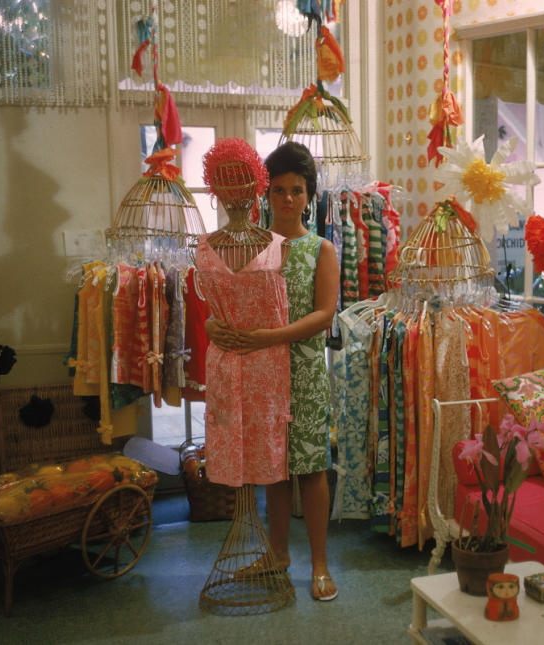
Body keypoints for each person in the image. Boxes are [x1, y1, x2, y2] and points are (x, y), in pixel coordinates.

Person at [206, 141, 340, 601]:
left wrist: (270, 336)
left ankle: (320, 563)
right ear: (266, 194)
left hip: (302, 373)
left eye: (297, 191)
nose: (287, 199)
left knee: (311, 467)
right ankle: (278, 554)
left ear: (310, 196)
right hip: (261, 374)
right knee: (275, 469)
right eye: (279, 190)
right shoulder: (255, 246)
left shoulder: (321, 249)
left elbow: (325, 315)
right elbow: (224, 298)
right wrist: (211, 324)